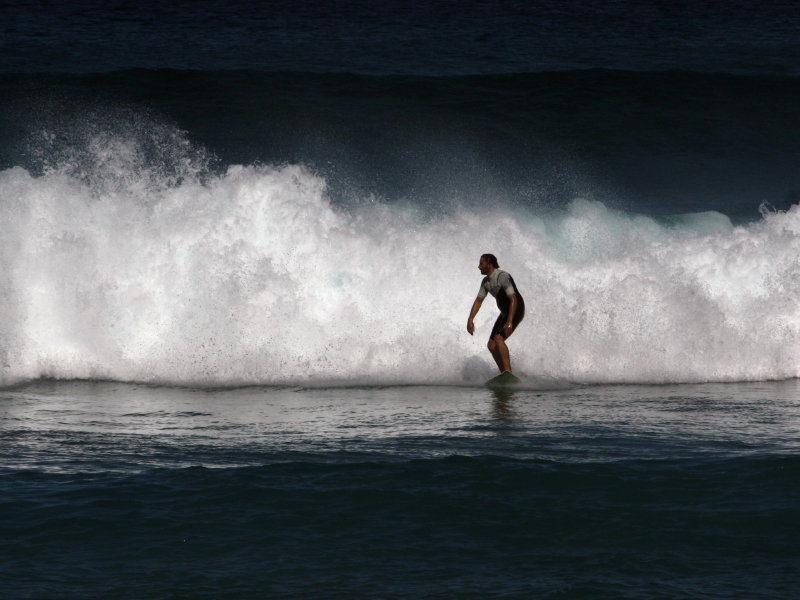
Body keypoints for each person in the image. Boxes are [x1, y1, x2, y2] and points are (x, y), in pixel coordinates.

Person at [466, 254, 525, 374]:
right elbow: (478, 301)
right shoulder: (486, 281)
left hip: (516, 309)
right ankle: (504, 373)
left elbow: (513, 299)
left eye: (481, 264)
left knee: (499, 339)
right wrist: (470, 319)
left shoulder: (502, 276)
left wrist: (509, 322)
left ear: (489, 264)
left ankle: (508, 372)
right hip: (505, 312)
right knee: (491, 345)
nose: (479, 267)